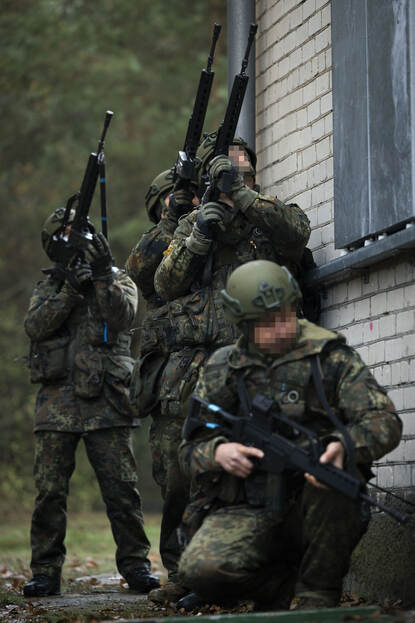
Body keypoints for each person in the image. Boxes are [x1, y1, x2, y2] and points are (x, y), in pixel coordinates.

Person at [177, 259, 402, 610]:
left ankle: (317, 597)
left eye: (285, 315)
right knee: (200, 571)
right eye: (267, 323)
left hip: (314, 504)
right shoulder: (224, 367)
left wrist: (344, 445)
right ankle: (274, 587)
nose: (281, 328)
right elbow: (188, 449)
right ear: (244, 325)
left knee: (338, 484)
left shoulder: (329, 357)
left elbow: (384, 421)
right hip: (248, 506)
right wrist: (218, 452)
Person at [23, 207, 160, 597]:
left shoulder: (118, 279)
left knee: (122, 490)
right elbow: (35, 326)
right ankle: (45, 571)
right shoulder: (49, 286)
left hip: (108, 400)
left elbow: (123, 317)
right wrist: (69, 290)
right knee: (50, 492)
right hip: (57, 403)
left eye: (79, 229)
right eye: (66, 231)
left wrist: (102, 275)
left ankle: (136, 566)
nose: (75, 237)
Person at [126, 169, 198, 603]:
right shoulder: (158, 241)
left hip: (216, 364)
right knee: (175, 480)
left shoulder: (209, 226)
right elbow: (138, 270)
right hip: (171, 380)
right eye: (172, 196)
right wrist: (172, 220)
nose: (184, 199)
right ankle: (179, 570)